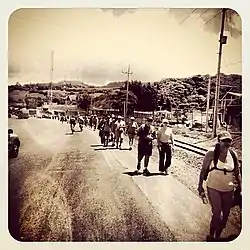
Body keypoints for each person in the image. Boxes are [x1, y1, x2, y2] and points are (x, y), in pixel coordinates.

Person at [197, 131, 242, 241]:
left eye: (229, 141)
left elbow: (237, 173)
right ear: (219, 141)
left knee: (225, 216)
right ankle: (211, 235)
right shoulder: (211, 153)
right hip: (213, 187)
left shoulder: (233, 154)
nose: (227, 143)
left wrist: (241, 187)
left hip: (228, 189)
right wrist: (200, 186)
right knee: (217, 213)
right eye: (224, 141)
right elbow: (203, 170)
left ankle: (217, 235)